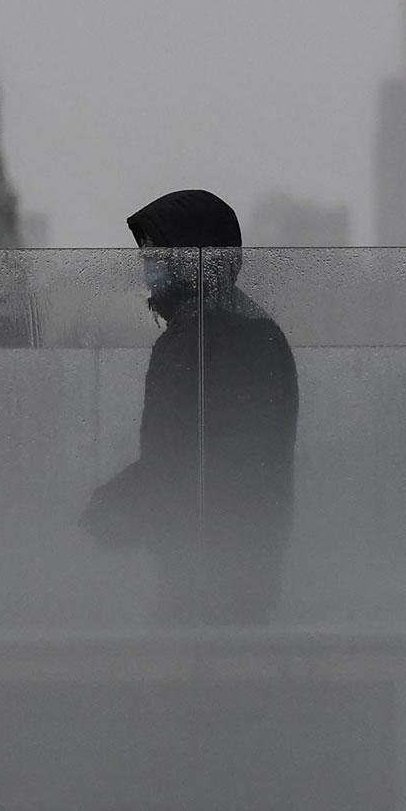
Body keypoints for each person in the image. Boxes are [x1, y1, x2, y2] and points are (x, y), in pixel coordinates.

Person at [82, 190, 299, 625]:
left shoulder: (244, 337)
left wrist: (133, 498)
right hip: (194, 579)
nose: (147, 271)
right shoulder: (191, 333)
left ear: (190, 261)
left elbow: (236, 463)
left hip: (226, 587)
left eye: (156, 257)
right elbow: (184, 453)